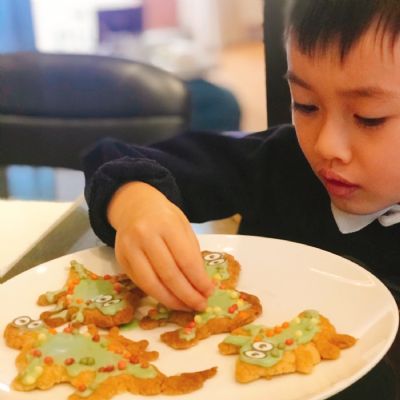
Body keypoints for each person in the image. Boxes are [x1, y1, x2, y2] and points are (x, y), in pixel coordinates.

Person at [83, 0, 400, 312]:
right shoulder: (278, 163)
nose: (326, 146)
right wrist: (134, 203)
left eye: (368, 117)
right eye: (305, 105)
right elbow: (113, 159)